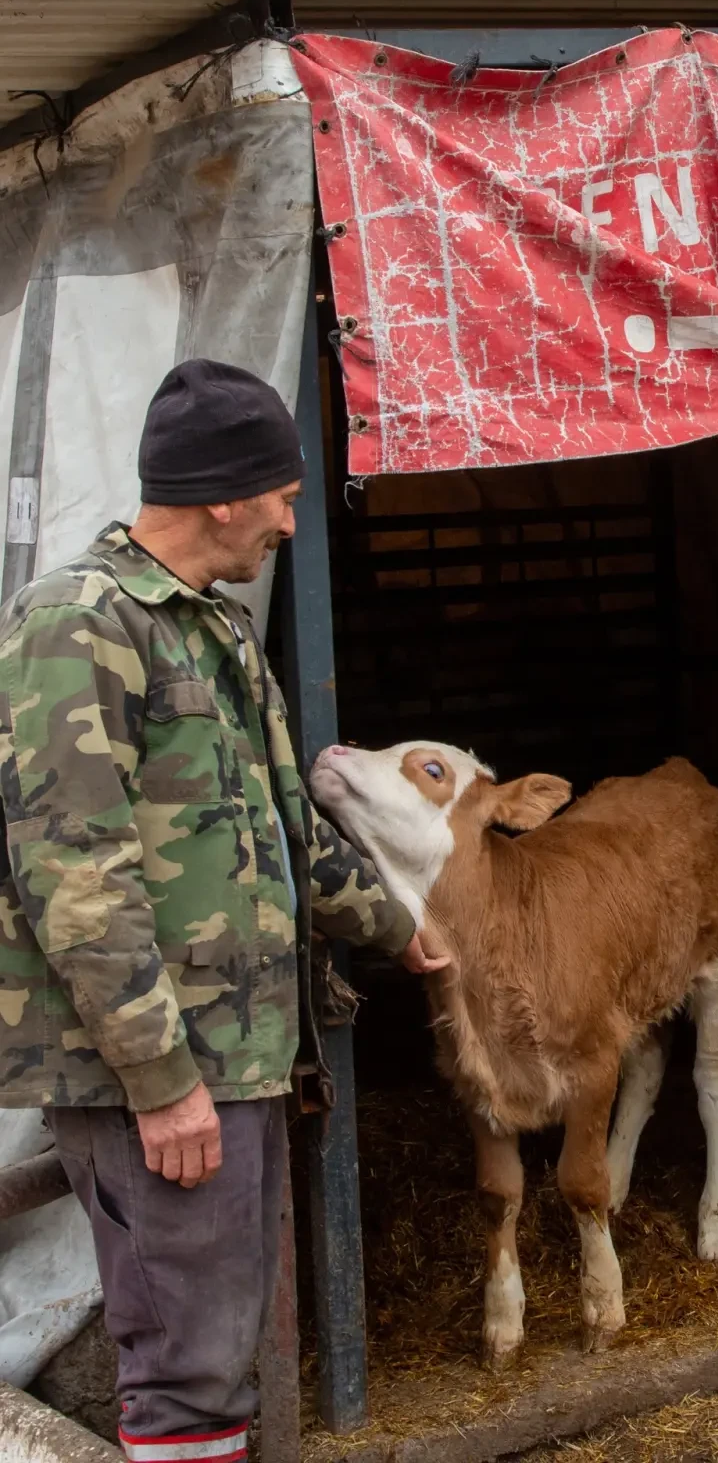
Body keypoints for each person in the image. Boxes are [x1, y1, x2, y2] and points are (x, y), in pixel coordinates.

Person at [0, 360, 442, 1463]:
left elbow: (286, 827)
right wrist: (162, 1083)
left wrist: (399, 927)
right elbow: (76, 877)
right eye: (284, 494)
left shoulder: (216, 632)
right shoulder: (78, 625)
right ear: (223, 495)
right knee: (187, 1361)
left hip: (237, 1051)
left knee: (219, 1342)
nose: (293, 520)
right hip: (164, 1067)